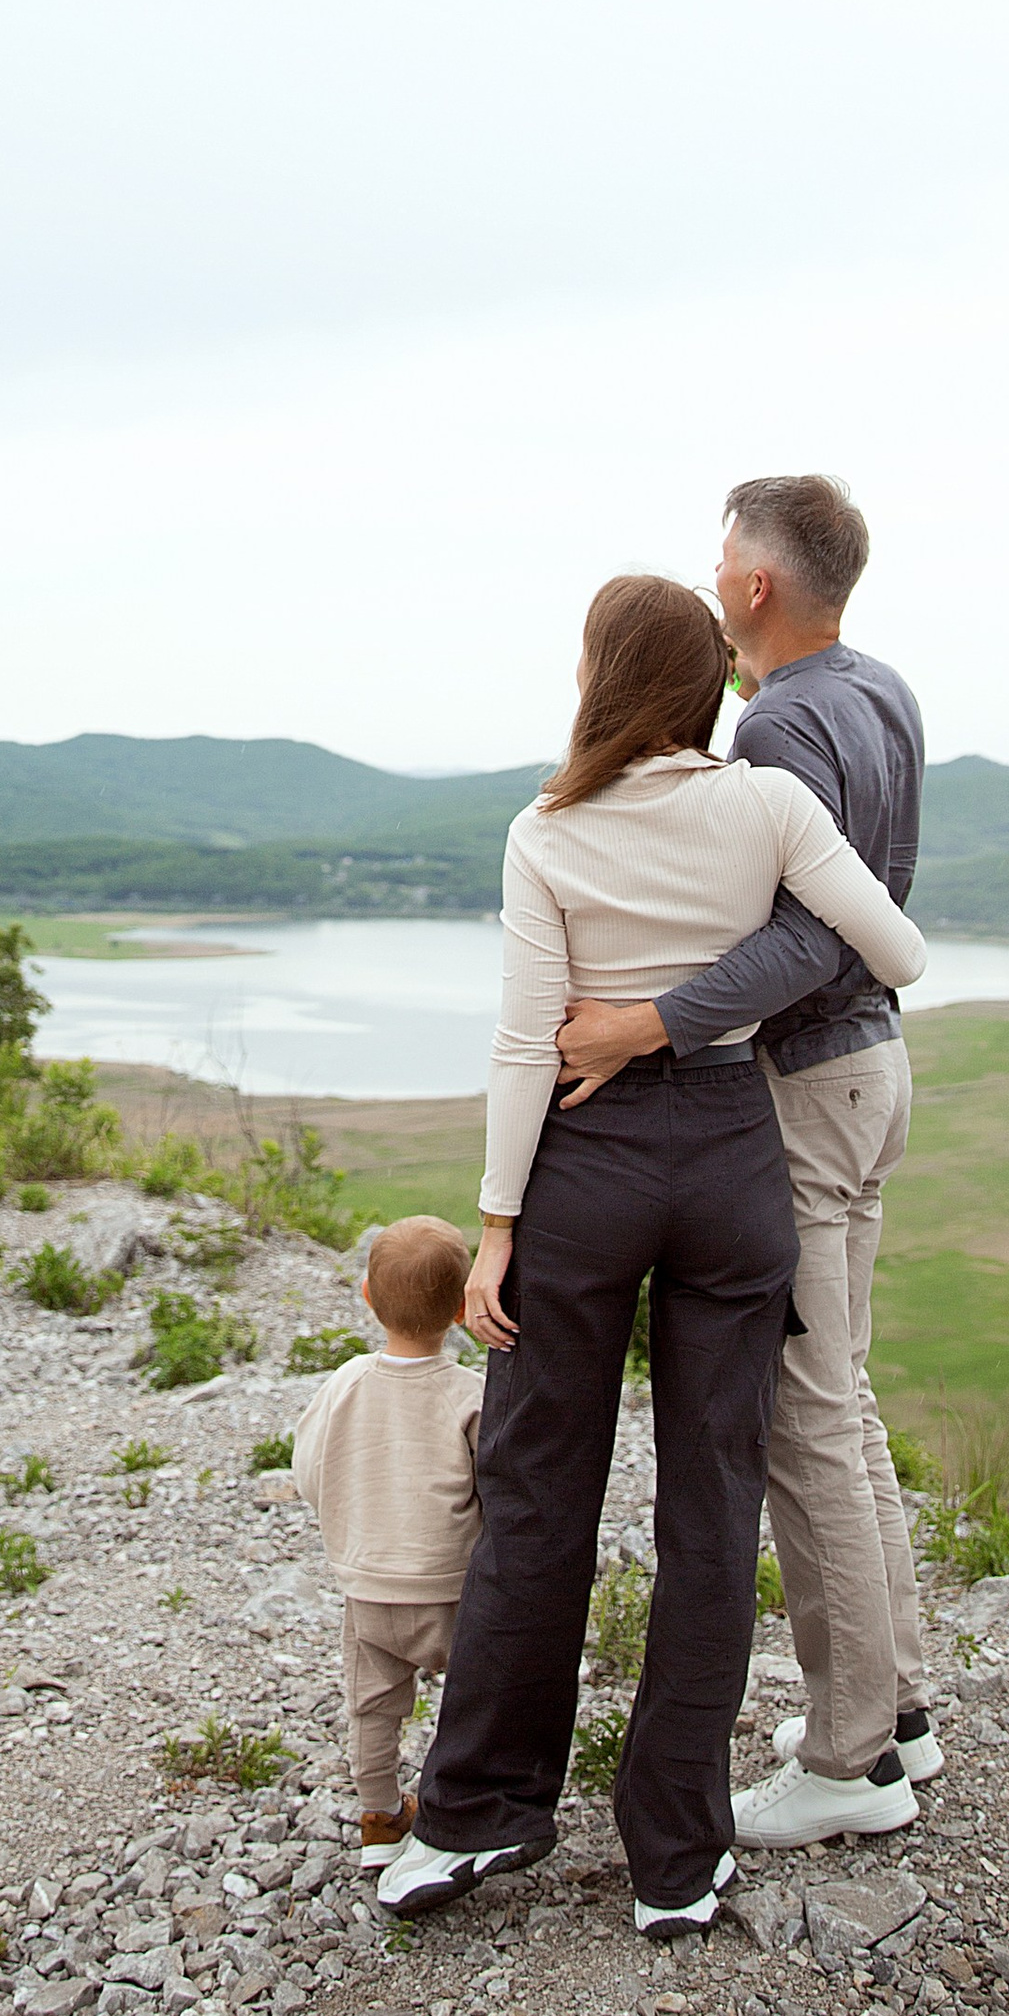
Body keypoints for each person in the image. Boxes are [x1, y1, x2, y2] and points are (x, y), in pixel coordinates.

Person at [374, 574, 928, 1940]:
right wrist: (700, 1007)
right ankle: (677, 1854)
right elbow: (895, 946)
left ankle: (478, 1814)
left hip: (588, 1168)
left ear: (599, 678)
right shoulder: (766, 805)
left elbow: (523, 1044)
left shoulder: (545, 828)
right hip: (734, 1157)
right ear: (704, 682)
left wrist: (497, 1227)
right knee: (713, 1503)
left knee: (539, 1486)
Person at [554, 476, 938, 1849]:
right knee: (847, 1394)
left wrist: (647, 1020)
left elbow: (810, 939)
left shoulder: (777, 720)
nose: (714, 578)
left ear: (759, 584)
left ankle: (850, 1763)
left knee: (806, 1414)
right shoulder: (880, 688)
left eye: (724, 558)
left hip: (813, 1076)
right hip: (875, 1067)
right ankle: (897, 1711)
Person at [290, 1215, 484, 1867]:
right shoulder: (469, 1393)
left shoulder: (343, 1384)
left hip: (369, 1588)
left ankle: (378, 1818)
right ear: (463, 1307)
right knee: (475, 1699)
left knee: (372, 1709)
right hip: (454, 1590)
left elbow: (308, 1470)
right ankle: (463, 1807)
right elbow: (500, 1489)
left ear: (368, 1298)